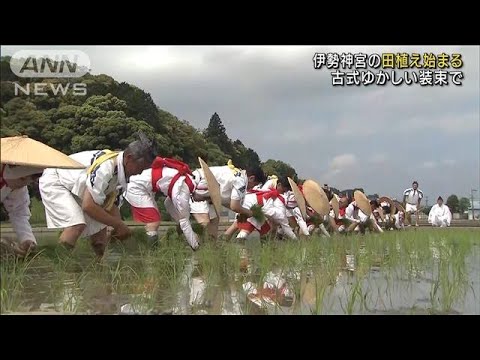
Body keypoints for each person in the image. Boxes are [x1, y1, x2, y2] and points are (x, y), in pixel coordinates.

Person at [39, 134, 156, 257]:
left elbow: (111, 205)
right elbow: (88, 206)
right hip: (56, 180)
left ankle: (98, 268)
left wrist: (119, 227)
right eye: (141, 167)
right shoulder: (106, 167)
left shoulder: (122, 173)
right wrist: (118, 225)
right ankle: (60, 264)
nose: (141, 172)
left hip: (77, 188)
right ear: (129, 158)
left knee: (100, 230)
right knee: (76, 225)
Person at [123, 156, 200, 250]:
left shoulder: (184, 178)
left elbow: (168, 203)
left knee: (155, 220)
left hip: (143, 186)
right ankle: (152, 255)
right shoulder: (182, 189)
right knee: (153, 222)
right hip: (136, 188)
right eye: (205, 198)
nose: (202, 201)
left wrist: (182, 225)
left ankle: (149, 250)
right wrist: (195, 245)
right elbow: (184, 220)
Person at [190, 160, 266, 238]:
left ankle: (209, 247)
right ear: (251, 178)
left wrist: (242, 212)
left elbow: (228, 202)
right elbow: (234, 206)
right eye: (254, 184)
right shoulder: (241, 182)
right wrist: (249, 213)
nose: (252, 188)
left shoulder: (238, 175)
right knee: (204, 224)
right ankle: (187, 231)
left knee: (213, 227)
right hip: (198, 187)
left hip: (207, 193)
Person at [1, 164, 44, 255]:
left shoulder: (17, 187)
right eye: (22, 179)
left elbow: (19, 212)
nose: (23, 184)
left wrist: (27, 238)